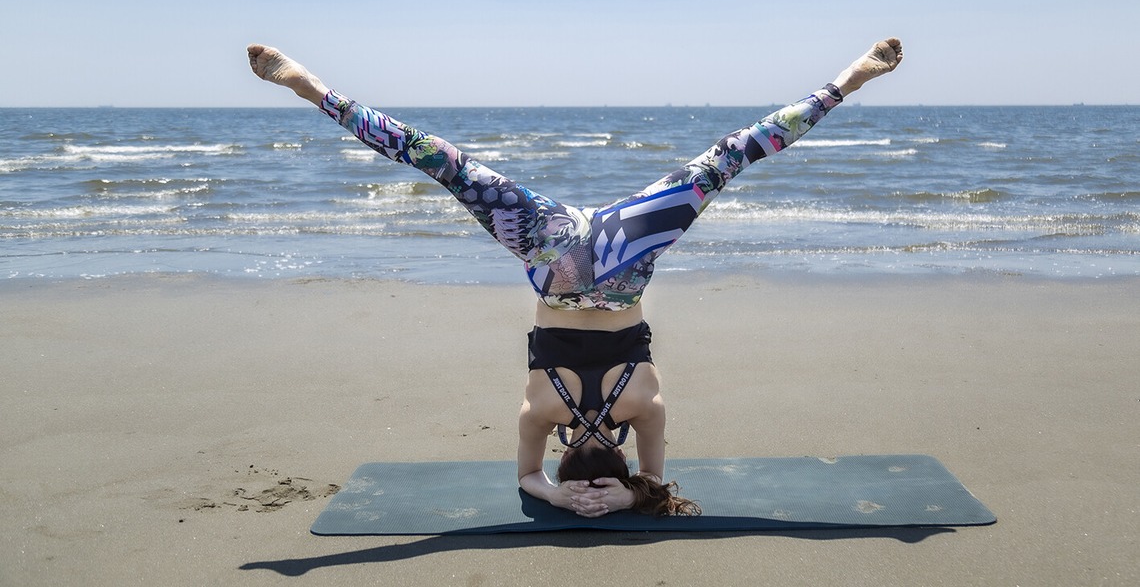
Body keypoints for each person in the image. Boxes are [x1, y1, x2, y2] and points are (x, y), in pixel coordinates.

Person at [246, 37, 903, 518]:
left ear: (614, 456)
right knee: (443, 164)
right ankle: (314, 89)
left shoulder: (642, 411)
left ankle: (844, 82)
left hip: (621, 255)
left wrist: (628, 496)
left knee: (729, 157)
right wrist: (560, 494)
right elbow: (530, 478)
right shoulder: (542, 416)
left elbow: (653, 476)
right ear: (569, 455)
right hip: (556, 257)